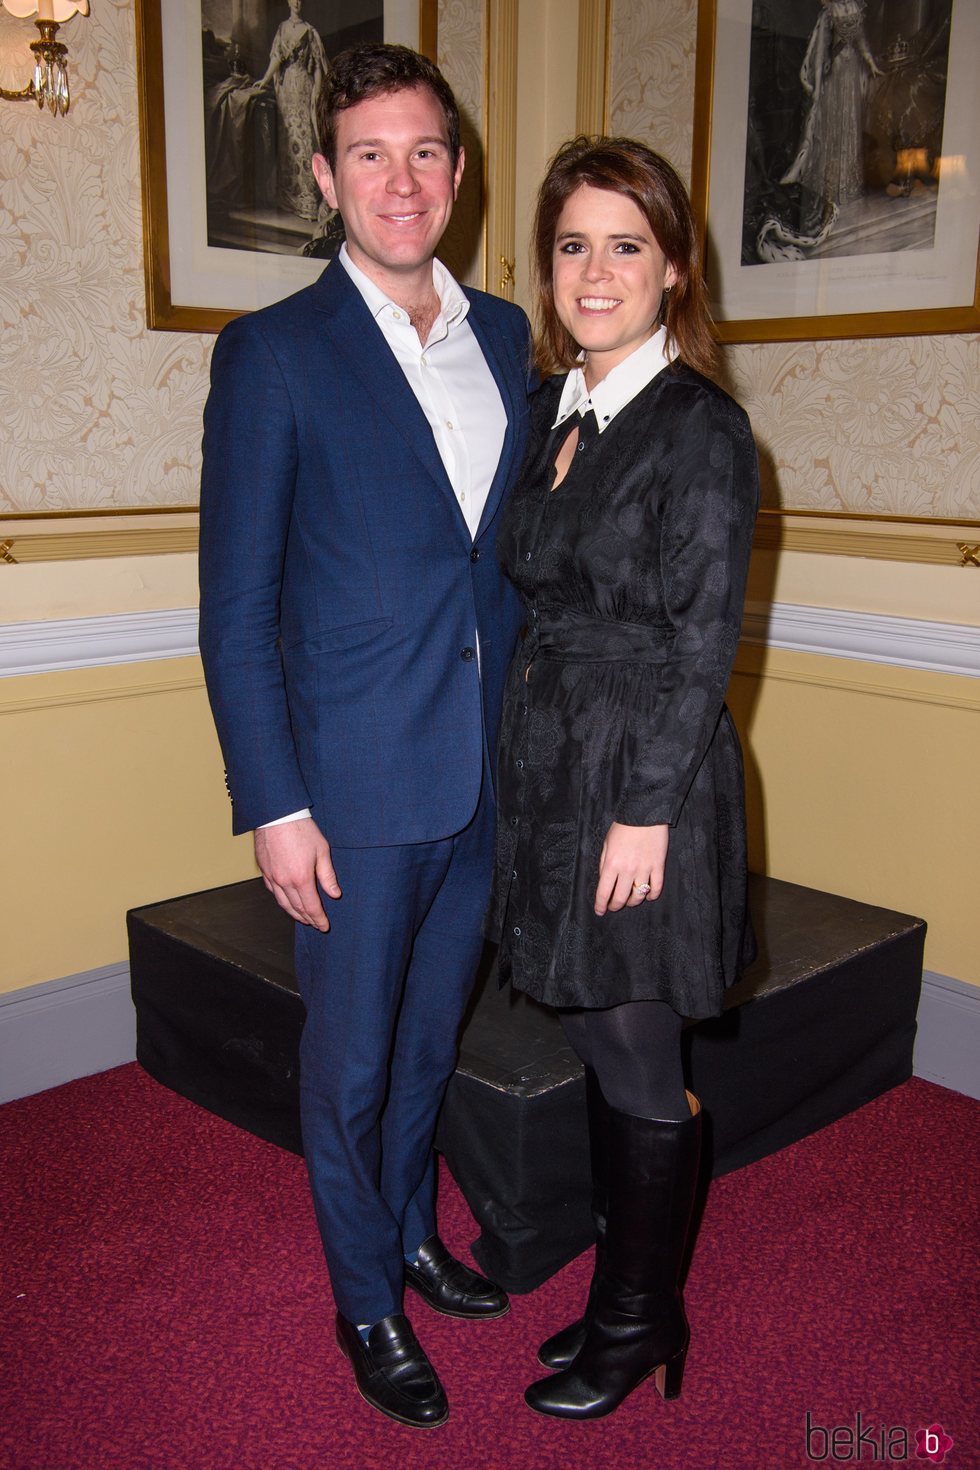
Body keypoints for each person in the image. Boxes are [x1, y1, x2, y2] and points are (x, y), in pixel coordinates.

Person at [198, 43, 534, 1430]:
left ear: (457, 171)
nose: (405, 181)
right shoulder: (274, 352)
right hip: (348, 788)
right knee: (345, 1063)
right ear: (329, 178)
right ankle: (364, 1299)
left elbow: (501, 562)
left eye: (428, 151)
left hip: (483, 774)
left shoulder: (511, 334)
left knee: (425, 1043)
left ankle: (408, 1231)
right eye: (374, 155)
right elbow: (235, 607)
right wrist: (276, 800)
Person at [488, 136, 759, 1419]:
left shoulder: (701, 427)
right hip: (553, 761)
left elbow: (701, 638)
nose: (594, 271)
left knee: (640, 1046)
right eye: (571, 245)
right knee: (596, 1033)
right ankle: (623, 1298)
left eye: (625, 245)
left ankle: (639, 1321)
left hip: (642, 775)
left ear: (673, 267)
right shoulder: (555, 405)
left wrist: (644, 810)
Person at [780, 0, 882, 234]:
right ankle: (831, 190)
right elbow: (821, 52)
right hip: (834, 74)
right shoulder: (828, 13)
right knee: (833, 130)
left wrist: (870, 63)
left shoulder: (856, 9)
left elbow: (862, 42)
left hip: (851, 72)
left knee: (851, 127)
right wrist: (816, 86)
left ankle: (848, 186)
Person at [249, 0, 330, 220]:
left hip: (304, 87)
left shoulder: (310, 32)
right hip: (287, 90)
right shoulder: (283, 29)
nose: (297, 2)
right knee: (287, 138)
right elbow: (277, 58)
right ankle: (288, 197)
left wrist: (317, 92)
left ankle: (307, 199)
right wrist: (265, 80)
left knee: (305, 139)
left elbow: (317, 66)